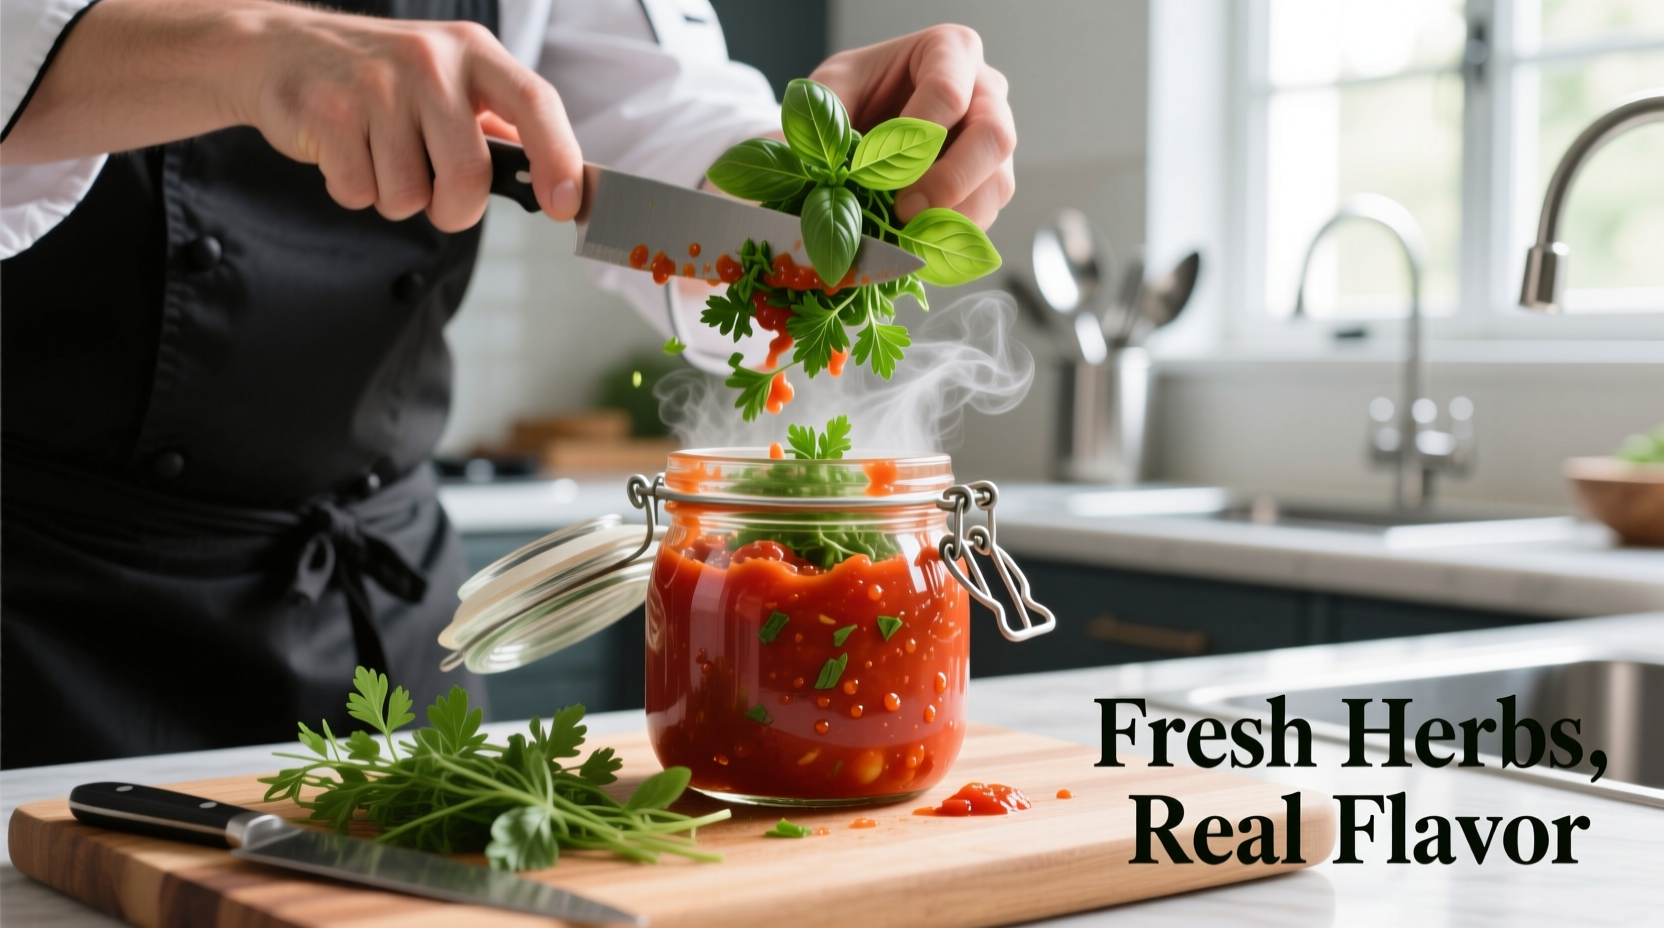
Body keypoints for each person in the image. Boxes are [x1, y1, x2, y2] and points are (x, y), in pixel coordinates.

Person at [0, 0, 1016, 769]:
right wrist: (248, 51)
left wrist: (809, 183)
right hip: (43, 609)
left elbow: (658, 124)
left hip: (376, 609)